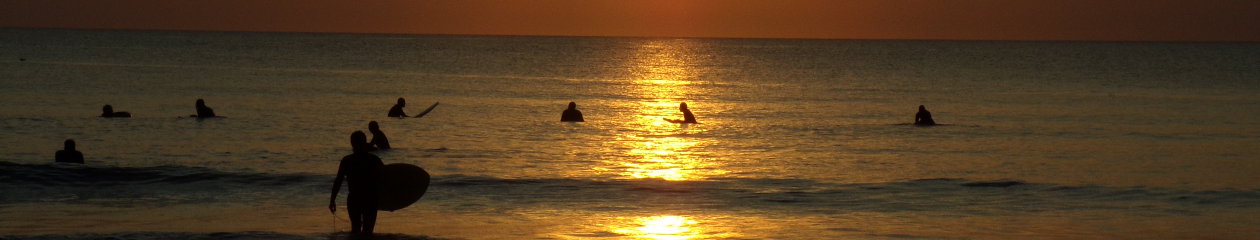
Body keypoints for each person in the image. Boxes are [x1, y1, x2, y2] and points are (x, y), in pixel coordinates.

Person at [329, 131, 384, 235]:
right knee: (368, 232)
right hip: (370, 199)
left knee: (355, 230)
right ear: (365, 142)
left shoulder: (347, 160)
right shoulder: (374, 160)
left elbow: (338, 181)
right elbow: (385, 180)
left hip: (354, 199)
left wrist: (332, 200)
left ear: (352, 143)